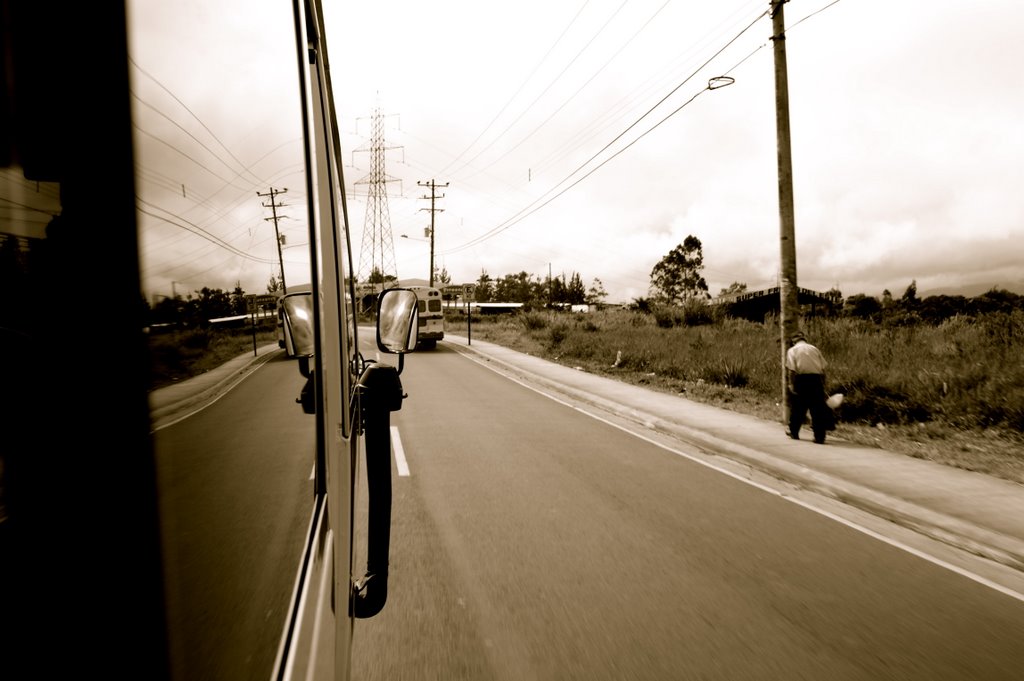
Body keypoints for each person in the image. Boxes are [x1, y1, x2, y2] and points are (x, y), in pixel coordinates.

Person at [785, 330, 832, 444]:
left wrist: (791, 384)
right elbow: (823, 369)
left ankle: (794, 431)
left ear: (793, 341)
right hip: (816, 380)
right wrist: (824, 385)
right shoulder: (814, 349)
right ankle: (820, 436)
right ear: (804, 339)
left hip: (802, 380)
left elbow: (792, 370)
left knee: (798, 408)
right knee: (817, 409)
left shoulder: (792, 350)